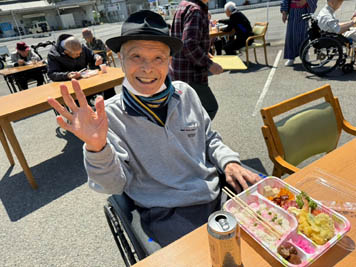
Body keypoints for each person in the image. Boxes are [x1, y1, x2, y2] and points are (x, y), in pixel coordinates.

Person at [47, 10, 260, 248]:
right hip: (167, 212)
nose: (148, 68)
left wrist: (229, 162)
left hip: (217, 192)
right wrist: (97, 148)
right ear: (120, 59)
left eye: (158, 58)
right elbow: (113, 186)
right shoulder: (109, 117)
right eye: (136, 56)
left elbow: (209, 139)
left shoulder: (185, 93)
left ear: (169, 61)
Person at [170, 0, 223, 121]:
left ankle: (188, 136)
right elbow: (189, 45)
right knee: (209, 108)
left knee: (187, 111)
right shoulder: (196, 11)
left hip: (178, 71)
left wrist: (204, 52)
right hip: (192, 75)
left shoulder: (183, 5)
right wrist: (210, 65)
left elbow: (179, 38)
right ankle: (193, 137)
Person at [47, 34, 116, 99]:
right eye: (76, 54)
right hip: (70, 85)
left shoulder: (80, 46)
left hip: (86, 79)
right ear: (66, 52)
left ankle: (110, 107)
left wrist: (96, 57)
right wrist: (67, 75)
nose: (79, 55)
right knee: (80, 98)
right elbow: (52, 74)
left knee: (107, 86)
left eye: (80, 53)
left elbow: (91, 54)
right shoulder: (53, 54)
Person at [281, 0, 317, 66]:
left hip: (303, 11)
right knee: (291, 35)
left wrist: (306, 1)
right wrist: (284, 12)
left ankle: (305, 56)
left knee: (303, 35)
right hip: (292, 13)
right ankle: (291, 57)